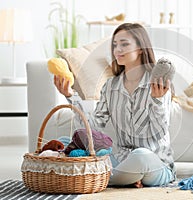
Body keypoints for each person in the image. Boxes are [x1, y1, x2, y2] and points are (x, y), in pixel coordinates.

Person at [54, 23, 176, 188]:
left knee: (140, 156)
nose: (118, 49)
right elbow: (93, 130)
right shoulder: (111, 86)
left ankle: (97, 178)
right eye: (115, 45)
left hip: (154, 163)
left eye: (124, 44)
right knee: (64, 143)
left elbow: (159, 132)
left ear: (141, 47)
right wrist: (71, 96)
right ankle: (125, 178)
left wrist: (157, 100)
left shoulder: (157, 84)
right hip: (122, 160)